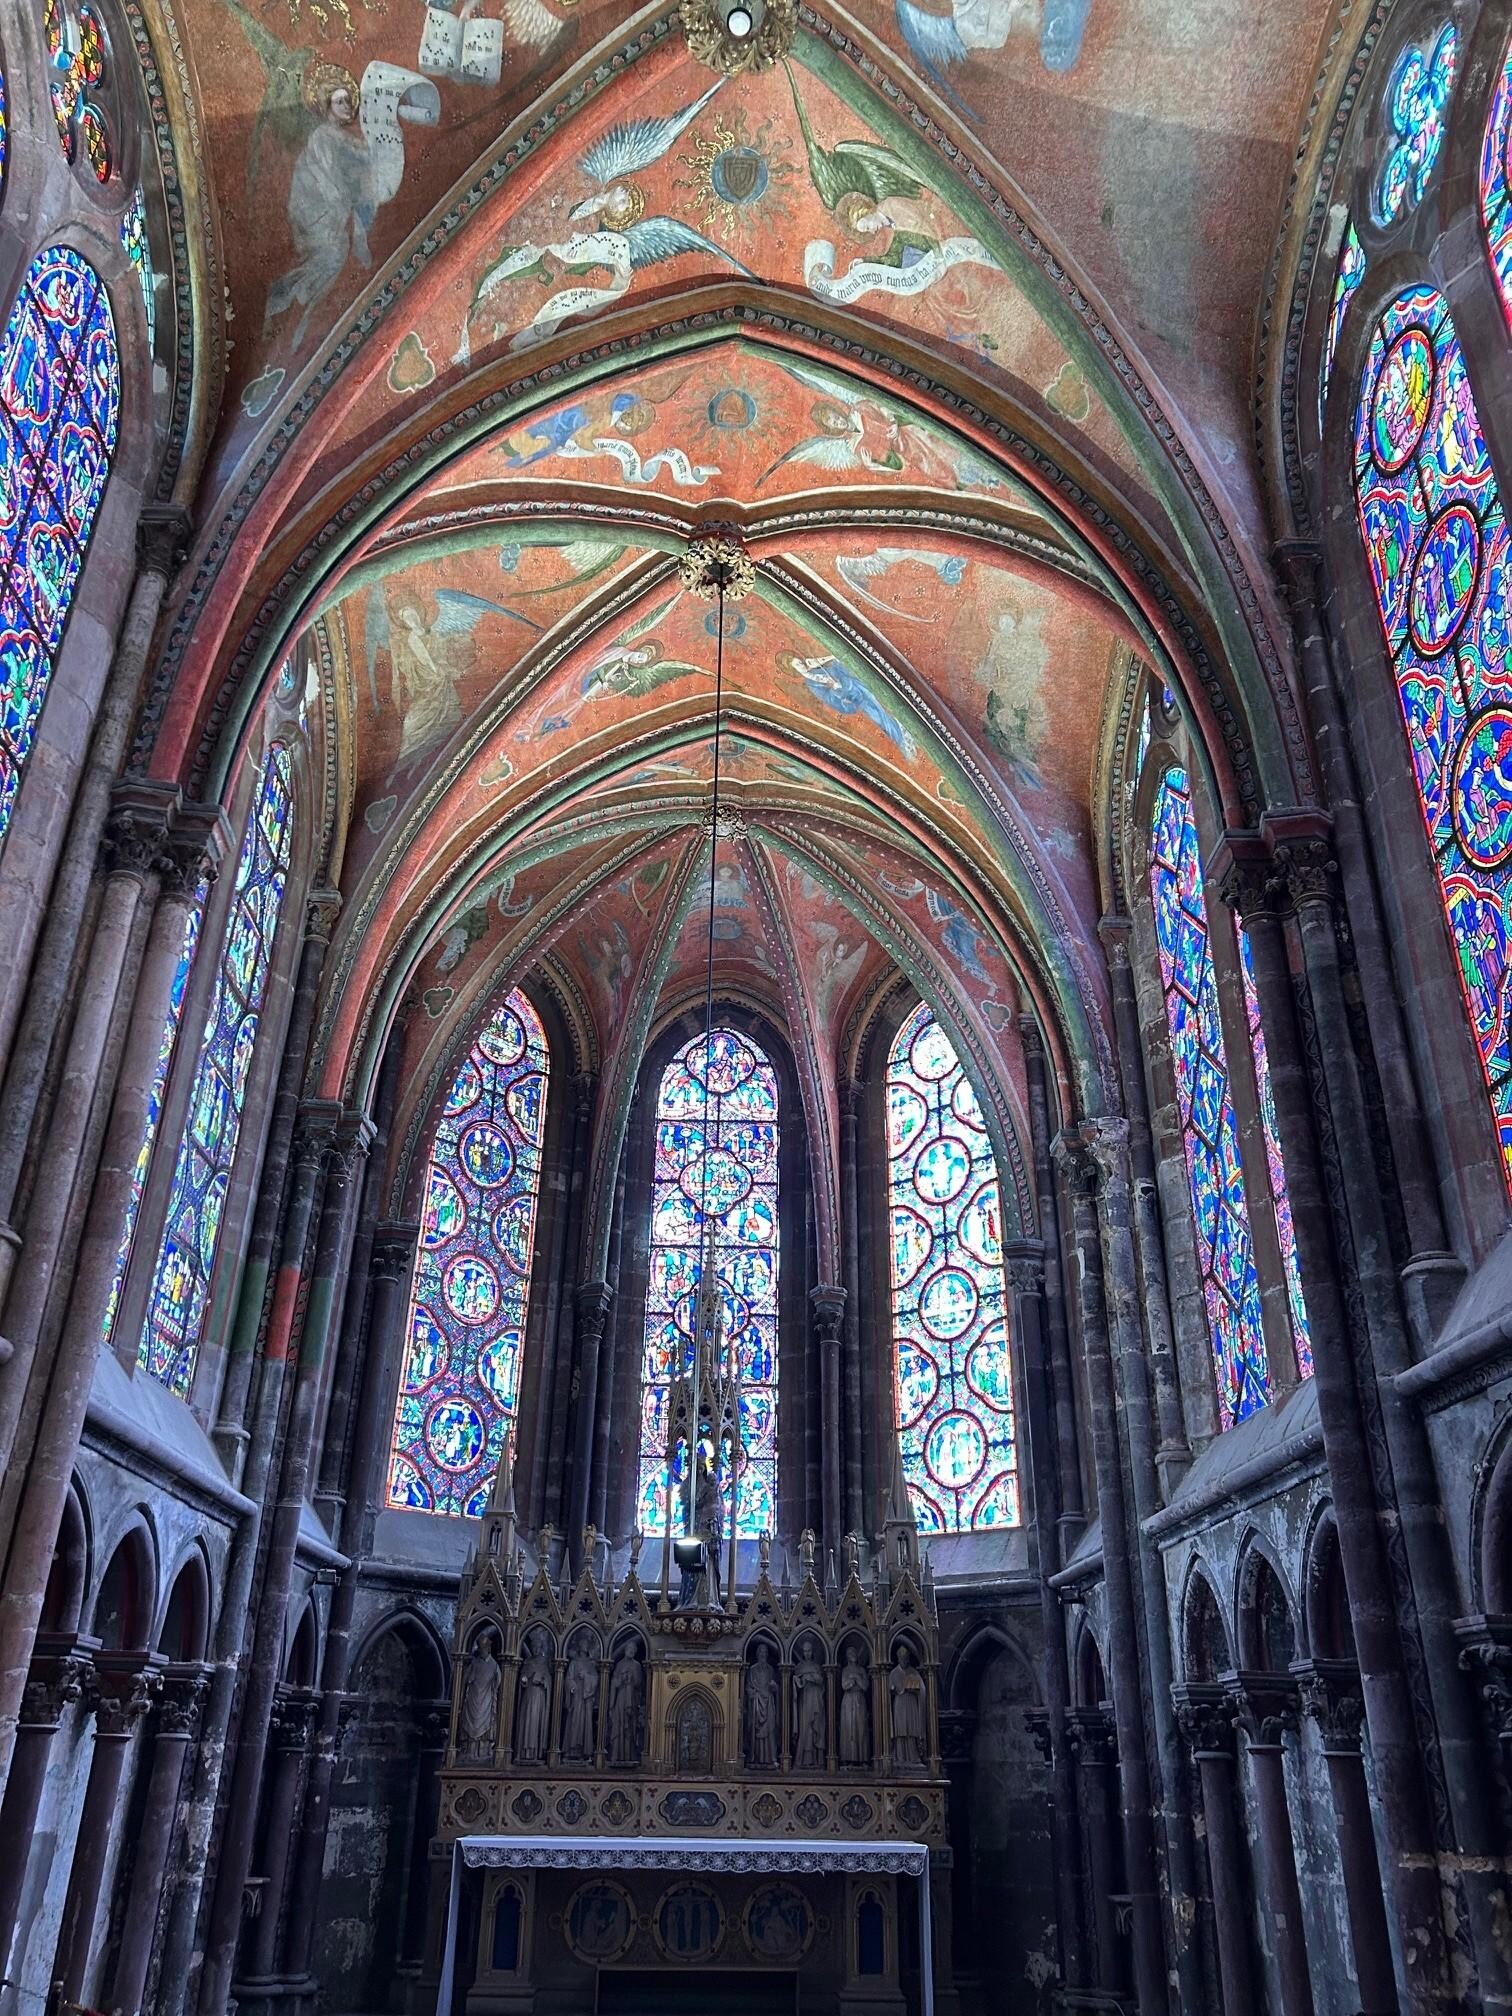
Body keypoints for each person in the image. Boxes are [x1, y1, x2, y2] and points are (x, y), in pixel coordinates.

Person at [458, 1629, 500, 1759]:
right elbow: (465, 1680)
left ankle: (483, 1751)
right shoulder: (474, 1663)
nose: (482, 1651)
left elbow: (498, 1682)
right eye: (480, 1648)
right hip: (473, 1698)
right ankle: (469, 1751)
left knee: (485, 1723)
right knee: (470, 1721)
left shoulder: (494, 1665)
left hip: (486, 1699)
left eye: (484, 1648)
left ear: (488, 1648)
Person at [515, 1633, 551, 1762]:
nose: (535, 1649)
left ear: (541, 1648)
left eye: (537, 1646)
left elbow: (548, 1680)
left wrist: (542, 1681)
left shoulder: (543, 1663)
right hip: (528, 1695)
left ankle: (534, 1752)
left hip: (538, 1697)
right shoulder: (527, 1662)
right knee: (526, 1722)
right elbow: (522, 1677)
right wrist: (523, 1680)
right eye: (533, 1646)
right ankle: (523, 1752)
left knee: (535, 1722)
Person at [890, 1642, 926, 1768]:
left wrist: (915, 1689)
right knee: (900, 1730)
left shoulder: (913, 1672)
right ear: (898, 1658)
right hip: (899, 1703)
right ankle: (899, 1757)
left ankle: (913, 1757)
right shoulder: (893, 1673)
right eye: (902, 1658)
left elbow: (922, 1689)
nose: (904, 1660)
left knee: (911, 1729)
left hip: (911, 1703)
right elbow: (888, 1689)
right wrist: (894, 1689)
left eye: (906, 1658)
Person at [608, 1640, 645, 1764]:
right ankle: (616, 1754)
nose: (632, 1651)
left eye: (634, 1650)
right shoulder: (619, 1665)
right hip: (621, 1698)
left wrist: (631, 1679)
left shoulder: (637, 1665)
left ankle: (630, 1755)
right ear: (625, 1650)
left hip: (632, 1699)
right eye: (630, 1649)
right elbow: (614, 1682)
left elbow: (639, 1683)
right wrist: (620, 1680)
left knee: (630, 1727)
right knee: (619, 1725)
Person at [562, 1636, 600, 1760]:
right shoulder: (574, 1662)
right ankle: (571, 1750)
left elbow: (596, 1679)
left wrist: (586, 1677)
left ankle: (586, 1751)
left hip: (586, 1699)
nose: (584, 1646)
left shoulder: (591, 1663)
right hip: (577, 1696)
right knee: (574, 1722)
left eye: (586, 1644)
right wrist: (572, 1686)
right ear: (579, 1646)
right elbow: (568, 1678)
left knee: (586, 1723)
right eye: (582, 1643)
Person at [792, 1642, 826, 1770]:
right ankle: (802, 1760)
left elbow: (821, 1681)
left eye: (809, 1651)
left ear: (812, 1652)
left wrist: (811, 1678)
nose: (807, 1653)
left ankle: (818, 1759)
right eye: (805, 1651)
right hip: (805, 1700)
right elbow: (798, 1684)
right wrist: (797, 1680)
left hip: (816, 1699)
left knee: (816, 1727)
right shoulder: (799, 1667)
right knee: (805, 1728)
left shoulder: (817, 1667)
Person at [745, 1643, 779, 1768]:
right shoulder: (752, 1669)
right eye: (761, 1652)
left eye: (765, 1652)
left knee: (770, 1729)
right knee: (755, 1731)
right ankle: (756, 1758)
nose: (763, 1654)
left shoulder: (770, 1669)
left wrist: (774, 1687)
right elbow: (748, 1687)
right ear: (757, 1654)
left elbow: (775, 1687)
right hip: (757, 1703)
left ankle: (770, 1757)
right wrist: (753, 1694)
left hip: (768, 1702)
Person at [840, 1643, 871, 1765]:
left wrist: (856, 1678)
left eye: (854, 1653)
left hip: (859, 1700)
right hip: (848, 1701)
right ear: (847, 1657)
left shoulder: (861, 1670)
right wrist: (852, 1681)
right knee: (849, 1729)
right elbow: (844, 1685)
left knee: (860, 1728)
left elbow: (865, 1686)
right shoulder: (845, 1670)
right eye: (850, 1654)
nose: (852, 1655)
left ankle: (862, 1758)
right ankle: (849, 1759)